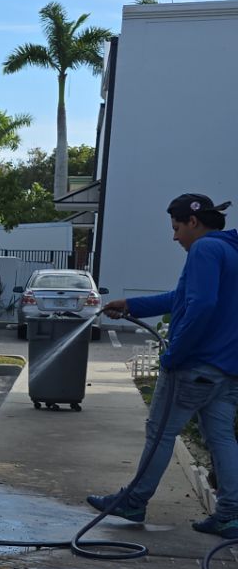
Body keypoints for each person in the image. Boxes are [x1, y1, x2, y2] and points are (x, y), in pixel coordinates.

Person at [87, 193, 238, 538]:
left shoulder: (204, 250)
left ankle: (134, 501)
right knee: (222, 438)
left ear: (194, 222)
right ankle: (230, 514)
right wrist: (132, 306)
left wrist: (174, 355)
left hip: (194, 364)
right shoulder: (230, 251)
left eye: (176, 228)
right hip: (227, 368)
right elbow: (180, 297)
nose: (174, 237)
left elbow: (200, 306)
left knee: (160, 432)